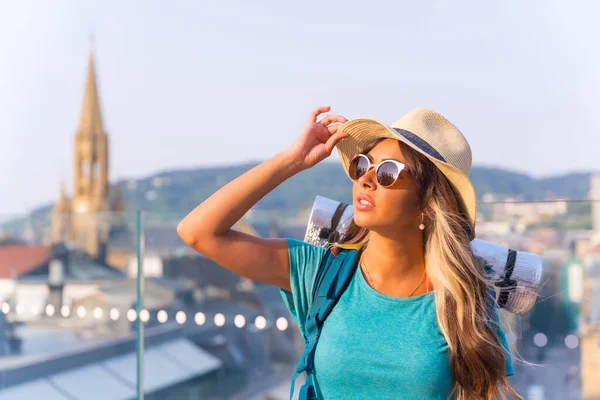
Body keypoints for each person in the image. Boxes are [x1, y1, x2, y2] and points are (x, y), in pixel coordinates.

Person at [177, 106, 521, 400]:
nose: (366, 179)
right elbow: (198, 232)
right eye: (362, 165)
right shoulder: (320, 274)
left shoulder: (462, 302)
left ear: (428, 203)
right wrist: (291, 161)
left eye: (388, 173)